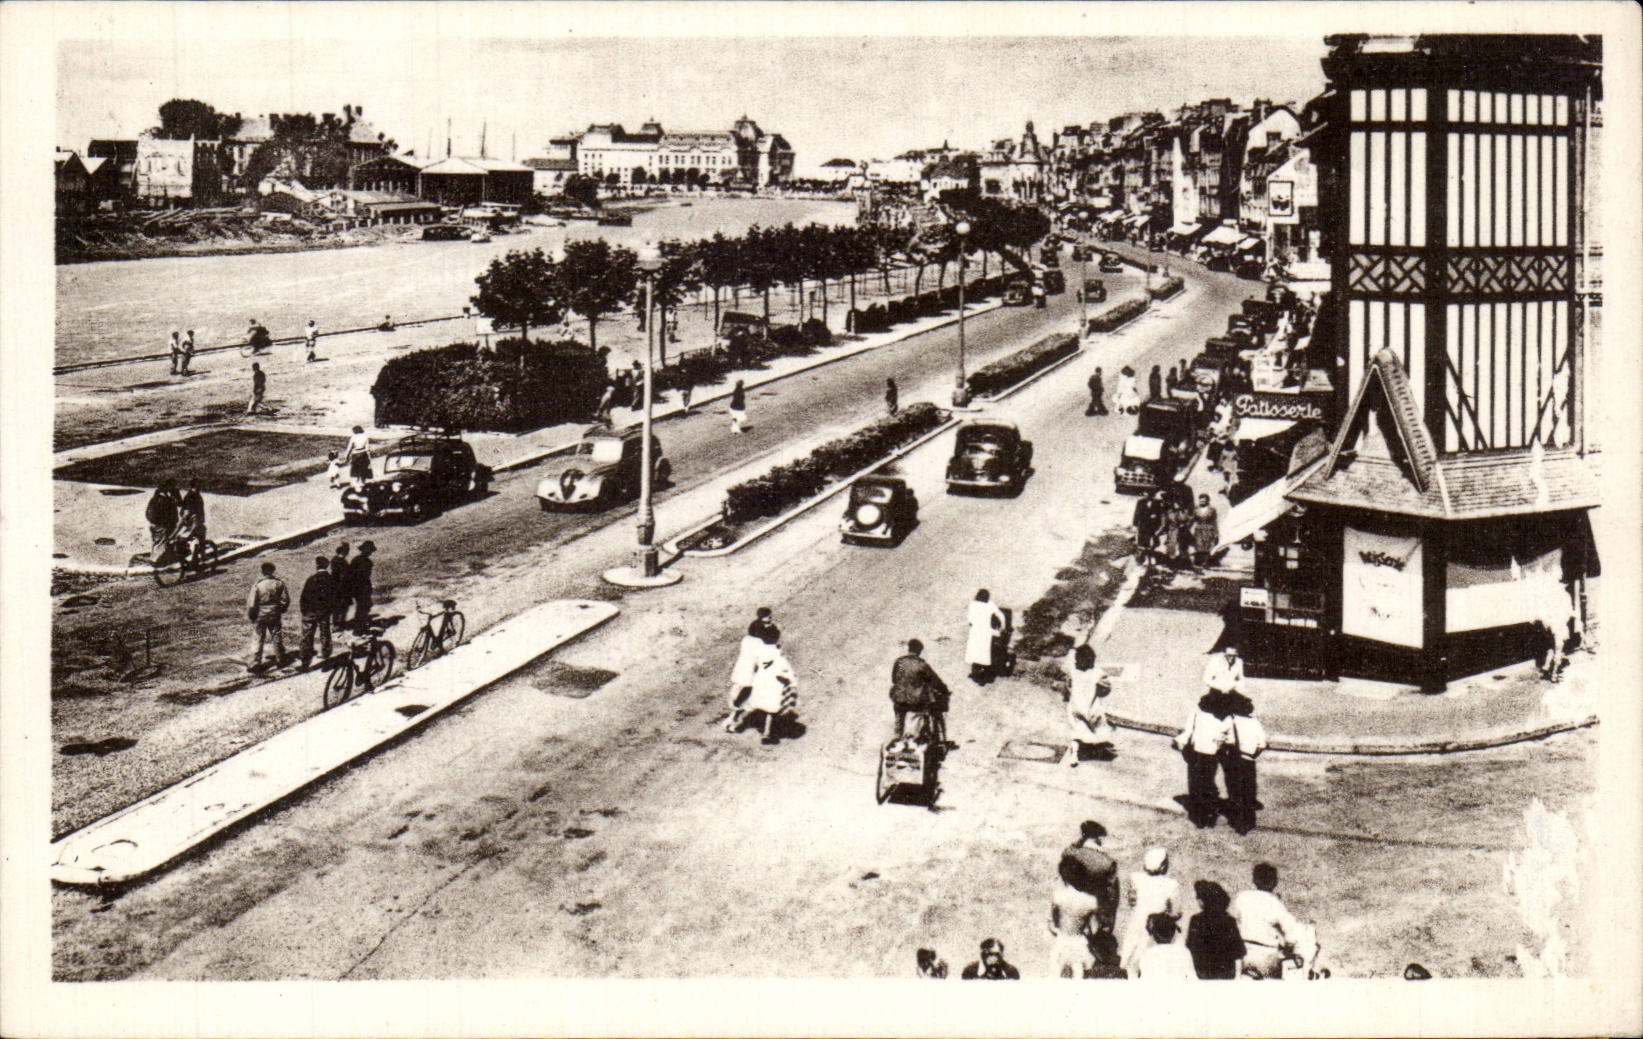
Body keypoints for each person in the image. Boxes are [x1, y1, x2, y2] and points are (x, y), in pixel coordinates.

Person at [1231, 862, 1314, 979]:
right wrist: (1290, 945)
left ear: (1254, 880)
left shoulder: (1242, 897)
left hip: (1243, 954)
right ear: (1275, 882)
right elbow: (1291, 931)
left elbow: (1234, 922)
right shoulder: (1275, 903)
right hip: (1266, 956)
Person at [1120, 847, 1184, 976]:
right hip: (1157, 926)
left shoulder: (1136, 878)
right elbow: (1176, 912)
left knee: (1132, 963)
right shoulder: (1171, 884)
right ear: (1162, 866)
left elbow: (1131, 901)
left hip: (1137, 924)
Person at [1174, 688, 1232, 828]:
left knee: (1195, 782)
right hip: (1212, 755)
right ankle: (1210, 811)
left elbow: (1188, 732)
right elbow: (1226, 736)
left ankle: (1199, 815)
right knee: (1208, 780)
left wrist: (1181, 744)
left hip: (1196, 753)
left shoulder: (1196, 714)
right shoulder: (1225, 718)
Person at [1056, 820, 1120, 938]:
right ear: (1098, 838)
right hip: (1094, 913)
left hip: (1069, 910)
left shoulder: (1069, 853)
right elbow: (1111, 897)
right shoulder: (1107, 863)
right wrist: (1108, 922)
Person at [1222, 692, 1267, 834]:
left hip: (1235, 759)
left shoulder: (1231, 721)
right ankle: (1249, 821)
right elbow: (1262, 744)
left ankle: (1237, 821)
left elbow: (1222, 738)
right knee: (1248, 790)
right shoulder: (1255, 723)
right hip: (1249, 761)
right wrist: (1253, 755)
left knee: (1235, 790)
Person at [889, 638, 950, 742]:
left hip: (899, 698)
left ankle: (897, 735)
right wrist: (944, 689)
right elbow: (935, 680)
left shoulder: (899, 662)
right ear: (919, 650)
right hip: (915, 701)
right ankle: (919, 736)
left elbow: (894, 679)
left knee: (899, 713)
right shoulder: (922, 665)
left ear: (909, 648)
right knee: (923, 709)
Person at [743, 626, 796, 745]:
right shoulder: (777, 653)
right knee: (771, 709)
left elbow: (755, 665)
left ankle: (739, 722)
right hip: (772, 683)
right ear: (777, 638)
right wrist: (788, 680)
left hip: (760, 680)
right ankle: (766, 733)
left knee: (757, 702)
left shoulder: (759, 650)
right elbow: (781, 670)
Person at [1064, 643, 1113, 767]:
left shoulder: (1073, 672)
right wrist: (1099, 692)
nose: (1075, 661)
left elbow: (1068, 686)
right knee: (1097, 727)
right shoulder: (1097, 673)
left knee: (1075, 730)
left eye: (1077, 659)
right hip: (1091, 708)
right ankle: (1098, 747)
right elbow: (1107, 687)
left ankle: (1074, 755)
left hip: (1075, 706)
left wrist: (1071, 695)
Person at [1185, 880, 1246, 979]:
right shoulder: (1229, 920)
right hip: (1225, 975)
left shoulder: (1196, 920)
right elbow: (1238, 952)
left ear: (1203, 901)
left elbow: (1190, 949)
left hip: (1202, 975)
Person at [725, 620, 770, 734]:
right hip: (751, 673)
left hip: (741, 670)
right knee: (749, 694)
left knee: (741, 693)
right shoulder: (760, 643)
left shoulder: (746, 640)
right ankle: (737, 719)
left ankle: (734, 715)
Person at [246, 561, 290, 671]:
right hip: (274, 613)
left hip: (261, 613)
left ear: (262, 571)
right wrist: (280, 609)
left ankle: (255, 662)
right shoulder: (279, 583)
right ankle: (280, 659)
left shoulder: (258, 584)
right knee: (276, 636)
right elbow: (285, 600)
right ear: (273, 571)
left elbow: (252, 602)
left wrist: (252, 614)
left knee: (258, 637)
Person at [298, 556, 338, 670]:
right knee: (325, 633)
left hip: (310, 611)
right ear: (327, 566)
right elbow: (335, 597)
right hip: (324, 611)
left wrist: (304, 610)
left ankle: (305, 662)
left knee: (307, 636)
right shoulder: (331, 579)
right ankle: (326, 657)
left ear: (317, 565)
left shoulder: (311, 579)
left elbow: (304, 596)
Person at [1130, 914, 1196, 980]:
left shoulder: (1147, 954)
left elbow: (1143, 980)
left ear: (1154, 934)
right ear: (1173, 934)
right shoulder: (1184, 953)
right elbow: (1192, 980)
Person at [965, 588, 1007, 684]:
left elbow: (970, 619)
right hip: (986, 632)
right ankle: (985, 674)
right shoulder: (990, 605)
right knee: (984, 652)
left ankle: (975, 673)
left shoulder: (973, 604)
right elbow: (1001, 615)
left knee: (975, 652)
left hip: (975, 631)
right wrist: (1002, 627)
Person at [145, 481, 181, 564]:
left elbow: (148, 512)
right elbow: (170, 513)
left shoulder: (155, 498)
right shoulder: (166, 500)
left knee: (157, 541)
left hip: (154, 523)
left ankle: (158, 557)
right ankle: (156, 561)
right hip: (163, 525)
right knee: (162, 542)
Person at [348, 540, 376, 633]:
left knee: (363, 607)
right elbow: (359, 576)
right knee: (363, 607)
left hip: (360, 588)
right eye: (370, 550)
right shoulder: (365, 562)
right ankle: (359, 628)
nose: (370, 553)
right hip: (361, 588)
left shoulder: (357, 560)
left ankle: (360, 626)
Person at [174, 482, 206, 561]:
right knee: (182, 539)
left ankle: (199, 558)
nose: (197, 489)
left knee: (194, 541)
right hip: (192, 522)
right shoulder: (191, 497)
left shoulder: (194, 496)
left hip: (196, 522)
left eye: (198, 488)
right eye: (196, 487)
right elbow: (184, 514)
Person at [1191, 494, 1220, 570]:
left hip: (1209, 529)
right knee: (1199, 545)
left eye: (1203, 500)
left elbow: (1214, 521)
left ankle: (1206, 563)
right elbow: (1192, 520)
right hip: (1199, 529)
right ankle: (1198, 563)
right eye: (1200, 500)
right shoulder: (1195, 509)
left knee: (1208, 546)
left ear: (1207, 501)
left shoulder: (1212, 509)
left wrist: (1216, 533)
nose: (1202, 502)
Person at [1133, 491, 1161, 567]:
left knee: (1153, 543)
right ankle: (1142, 558)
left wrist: (1158, 526)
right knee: (1142, 542)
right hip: (1143, 526)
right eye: (1144, 494)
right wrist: (1135, 525)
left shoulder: (1157, 503)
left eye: (1147, 494)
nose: (1145, 495)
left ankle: (1151, 557)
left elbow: (1159, 515)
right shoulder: (1140, 502)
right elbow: (1136, 514)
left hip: (1153, 526)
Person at [329, 542, 352, 631]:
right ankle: (337, 625)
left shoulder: (336, 560)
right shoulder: (340, 561)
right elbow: (342, 576)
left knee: (339, 607)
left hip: (338, 587)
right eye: (347, 550)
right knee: (340, 607)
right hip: (341, 588)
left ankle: (338, 624)